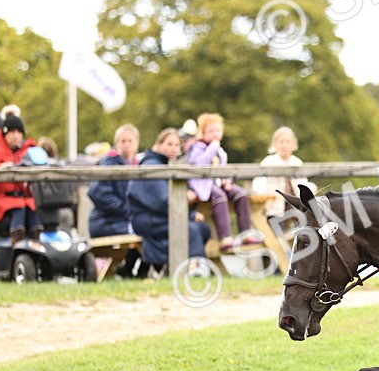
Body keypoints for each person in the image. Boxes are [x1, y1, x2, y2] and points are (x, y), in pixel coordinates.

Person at [128, 128, 210, 275]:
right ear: (159, 145)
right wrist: (189, 215)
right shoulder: (153, 166)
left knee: (203, 228)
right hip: (148, 220)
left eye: (177, 145)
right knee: (191, 230)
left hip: (160, 216)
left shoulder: (163, 164)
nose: (173, 149)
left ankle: (179, 268)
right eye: (169, 144)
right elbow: (163, 201)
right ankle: (192, 270)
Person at [185, 112, 254, 251]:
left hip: (218, 183)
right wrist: (213, 147)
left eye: (218, 131)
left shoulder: (220, 151)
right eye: (211, 131)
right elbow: (199, 164)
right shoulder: (197, 148)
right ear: (202, 133)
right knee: (220, 197)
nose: (215, 134)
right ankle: (225, 237)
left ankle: (246, 233)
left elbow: (223, 169)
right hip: (203, 184)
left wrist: (227, 180)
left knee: (241, 194)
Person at [0, 113, 40, 245]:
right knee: (19, 206)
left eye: (19, 132)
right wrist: (1, 168)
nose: (16, 135)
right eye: (12, 132)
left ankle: (36, 242)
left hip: (24, 197)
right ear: (5, 133)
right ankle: (17, 243)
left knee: (33, 206)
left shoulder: (28, 150)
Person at [251, 126, 310, 230]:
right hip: (275, 203)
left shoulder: (297, 162)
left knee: (306, 219)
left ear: (293, 144)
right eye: (281, 142)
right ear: (275, 144)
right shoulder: (268, 162)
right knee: (276, 225)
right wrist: (263, 194)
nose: (284, 145)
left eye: (287, 142)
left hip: (294, 202)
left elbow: (304, 184)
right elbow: (259, 183)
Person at [87, 124, 140, 237]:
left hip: (125, 221)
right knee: (144, 233)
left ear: (137, 143)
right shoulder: (109, 162)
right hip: (107, 221)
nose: (127, 144)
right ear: (117, 143)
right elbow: (97, 193)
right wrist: (126, 210)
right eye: (123, 141)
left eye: (130, 140)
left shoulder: (139, 165)